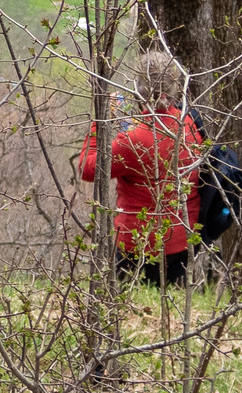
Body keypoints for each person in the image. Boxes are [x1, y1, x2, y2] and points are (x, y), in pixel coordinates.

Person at [76, 49, 205, 286]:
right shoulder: (190, 124)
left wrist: (99, 121)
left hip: (139, 247)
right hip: (185, 239)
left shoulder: (133, 139)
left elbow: (88, 168)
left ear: (139, 88)